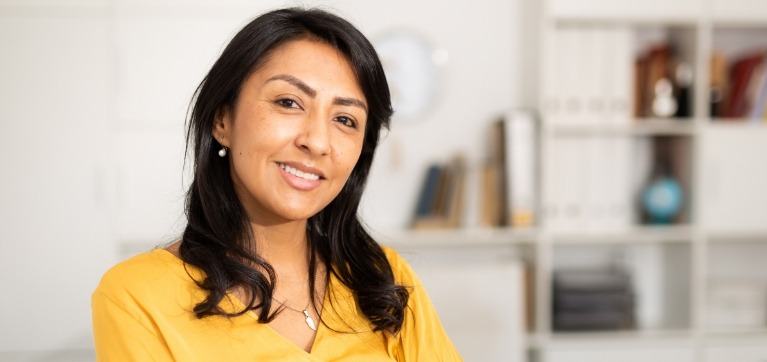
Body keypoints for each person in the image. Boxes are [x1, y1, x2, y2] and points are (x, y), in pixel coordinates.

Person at [91, 7, 461, 361]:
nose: (317, 141)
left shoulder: (381, 278)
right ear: (223, 120)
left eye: (345, 120)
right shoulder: (137, 296)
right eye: (289, 102)